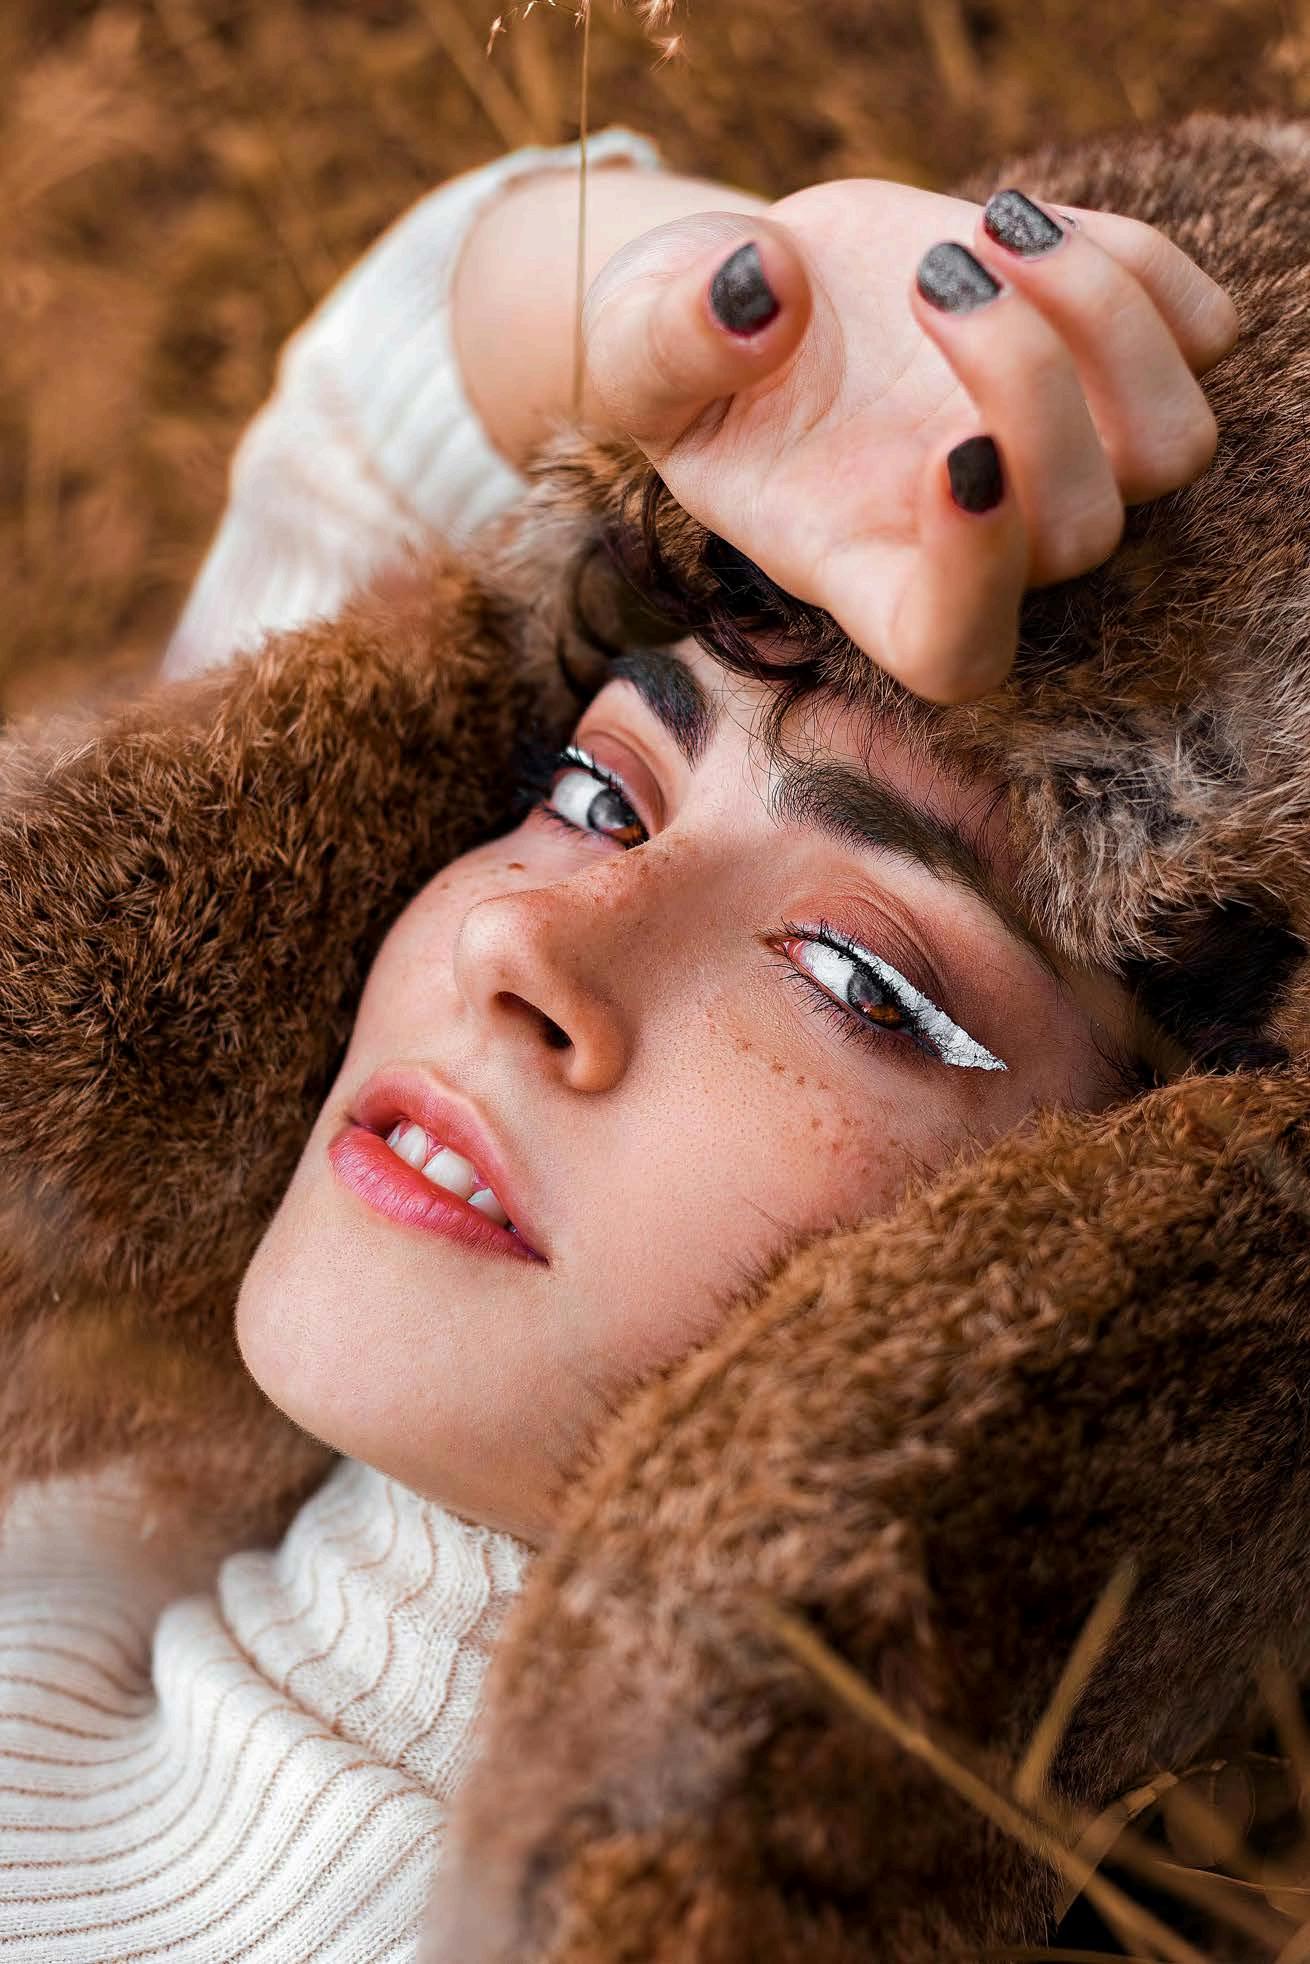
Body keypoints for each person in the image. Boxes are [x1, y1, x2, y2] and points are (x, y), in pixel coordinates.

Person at [0, 129, 1234, 1959]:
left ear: (1141, 1250)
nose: (521, 939)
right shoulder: (112, 1393)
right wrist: (745, 326)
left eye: (859, 982)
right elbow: (392, 394)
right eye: (597, 790)